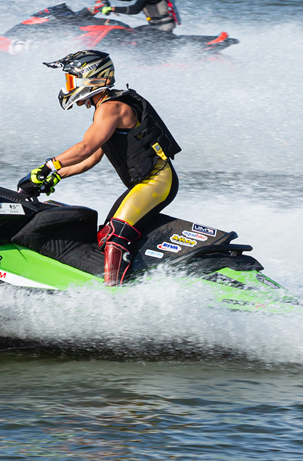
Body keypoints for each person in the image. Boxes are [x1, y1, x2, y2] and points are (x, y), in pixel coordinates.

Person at [19, 50, 182, 286]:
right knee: (105, 236)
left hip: (157, 181)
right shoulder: (104, 108)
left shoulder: (112, 108)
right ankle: (133, 280)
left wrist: (47, 167)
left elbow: (86, 147)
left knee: (116, 237)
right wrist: (57, 176)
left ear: (92, 78)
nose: (68, 86)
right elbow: (93, 157)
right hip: (144, 184)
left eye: (71, 79)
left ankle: (113, 297)